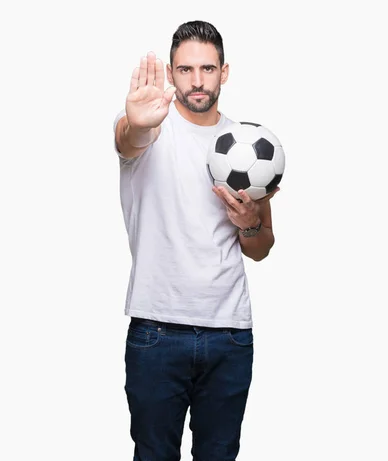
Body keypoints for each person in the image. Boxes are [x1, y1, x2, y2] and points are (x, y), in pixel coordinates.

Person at [112, 20, 279, 461]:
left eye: (208, 69)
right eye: (185, 70)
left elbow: (261, 247)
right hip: (156, 332)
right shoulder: (148, 127)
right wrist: (134, 123)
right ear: (171, 73)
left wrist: (248, 222)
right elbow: (128, 140)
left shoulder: (249, 146)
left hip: (229, 334)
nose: (198, 80)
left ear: (224, 72)